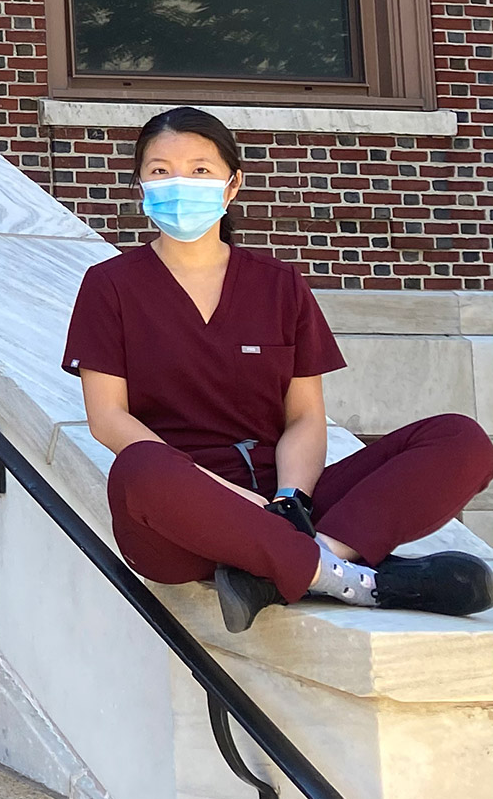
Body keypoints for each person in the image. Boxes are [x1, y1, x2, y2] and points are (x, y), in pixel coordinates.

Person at [68, 106, 493, 632]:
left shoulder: (278, 283)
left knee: (461, 438)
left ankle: (303, 565)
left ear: (233, 184)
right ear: (140, 184)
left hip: (286, 502)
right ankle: (359, 579)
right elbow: (109, 420)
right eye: (160, 170)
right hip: (182, 519)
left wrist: (290, 500)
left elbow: (305, 418)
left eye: (200, 169)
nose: (179, 183)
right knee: (139, 468)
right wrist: (235, 503)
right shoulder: (110, 285)